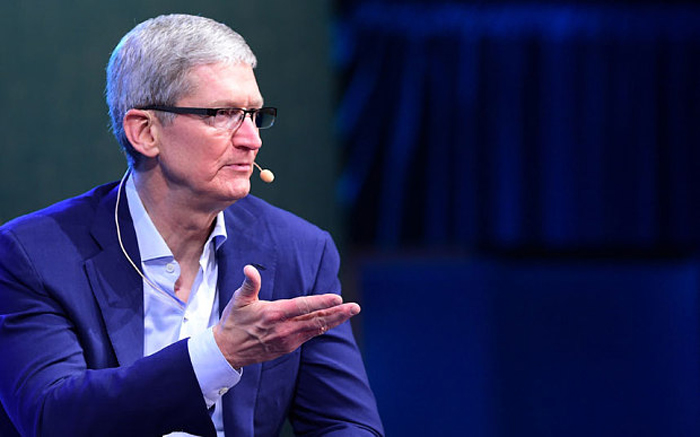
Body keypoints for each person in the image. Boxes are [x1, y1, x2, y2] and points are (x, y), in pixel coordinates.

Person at [0, 13, 383, 437]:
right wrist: (218, 354)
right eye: (223, 114)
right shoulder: (34, 255)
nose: (252, 139)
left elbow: (345, 425)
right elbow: (50, 416)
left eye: (254, 115)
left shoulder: (300, 251)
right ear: (145, 132)